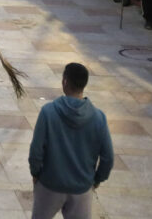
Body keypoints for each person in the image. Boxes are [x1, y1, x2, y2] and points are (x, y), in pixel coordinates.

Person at [29, 62, 114, 219]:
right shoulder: (98, 118)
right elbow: (108, 158)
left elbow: (36, 150)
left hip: (50, 184)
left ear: (64, 82)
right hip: (81, 188)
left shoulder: (48, 112)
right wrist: (96, 180)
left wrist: (36, 174)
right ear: (84, 85)